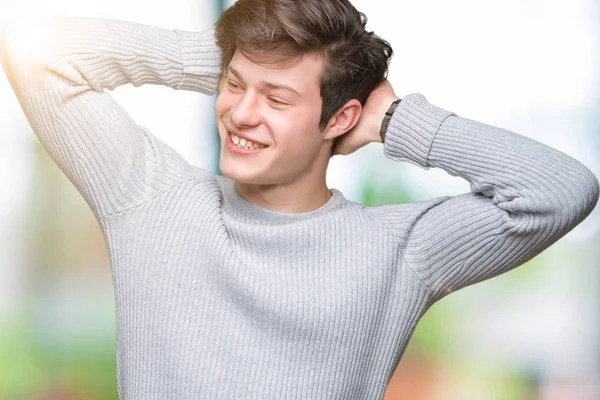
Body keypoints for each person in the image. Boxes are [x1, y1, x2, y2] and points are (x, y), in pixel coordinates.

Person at [1, 0, 598, 398]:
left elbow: (560, 190)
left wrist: (395, 120)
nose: (240, 113)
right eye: (234, 86)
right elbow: (38, 48)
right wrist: (227, 57)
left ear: (341, 117)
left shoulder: (398, 250)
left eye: (277, 100)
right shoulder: (150, 199)